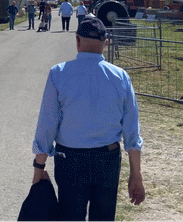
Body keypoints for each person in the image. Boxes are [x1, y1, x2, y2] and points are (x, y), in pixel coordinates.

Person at [31, 17, 145, 221]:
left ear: (77, 41)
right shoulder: (121, 76)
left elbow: (47, 125)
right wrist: (136, 174)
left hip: (70, 159)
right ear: (106, 43)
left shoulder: (58, 74)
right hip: (107, 159)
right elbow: (131, 131)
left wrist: (39, 169)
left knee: (69, 216)